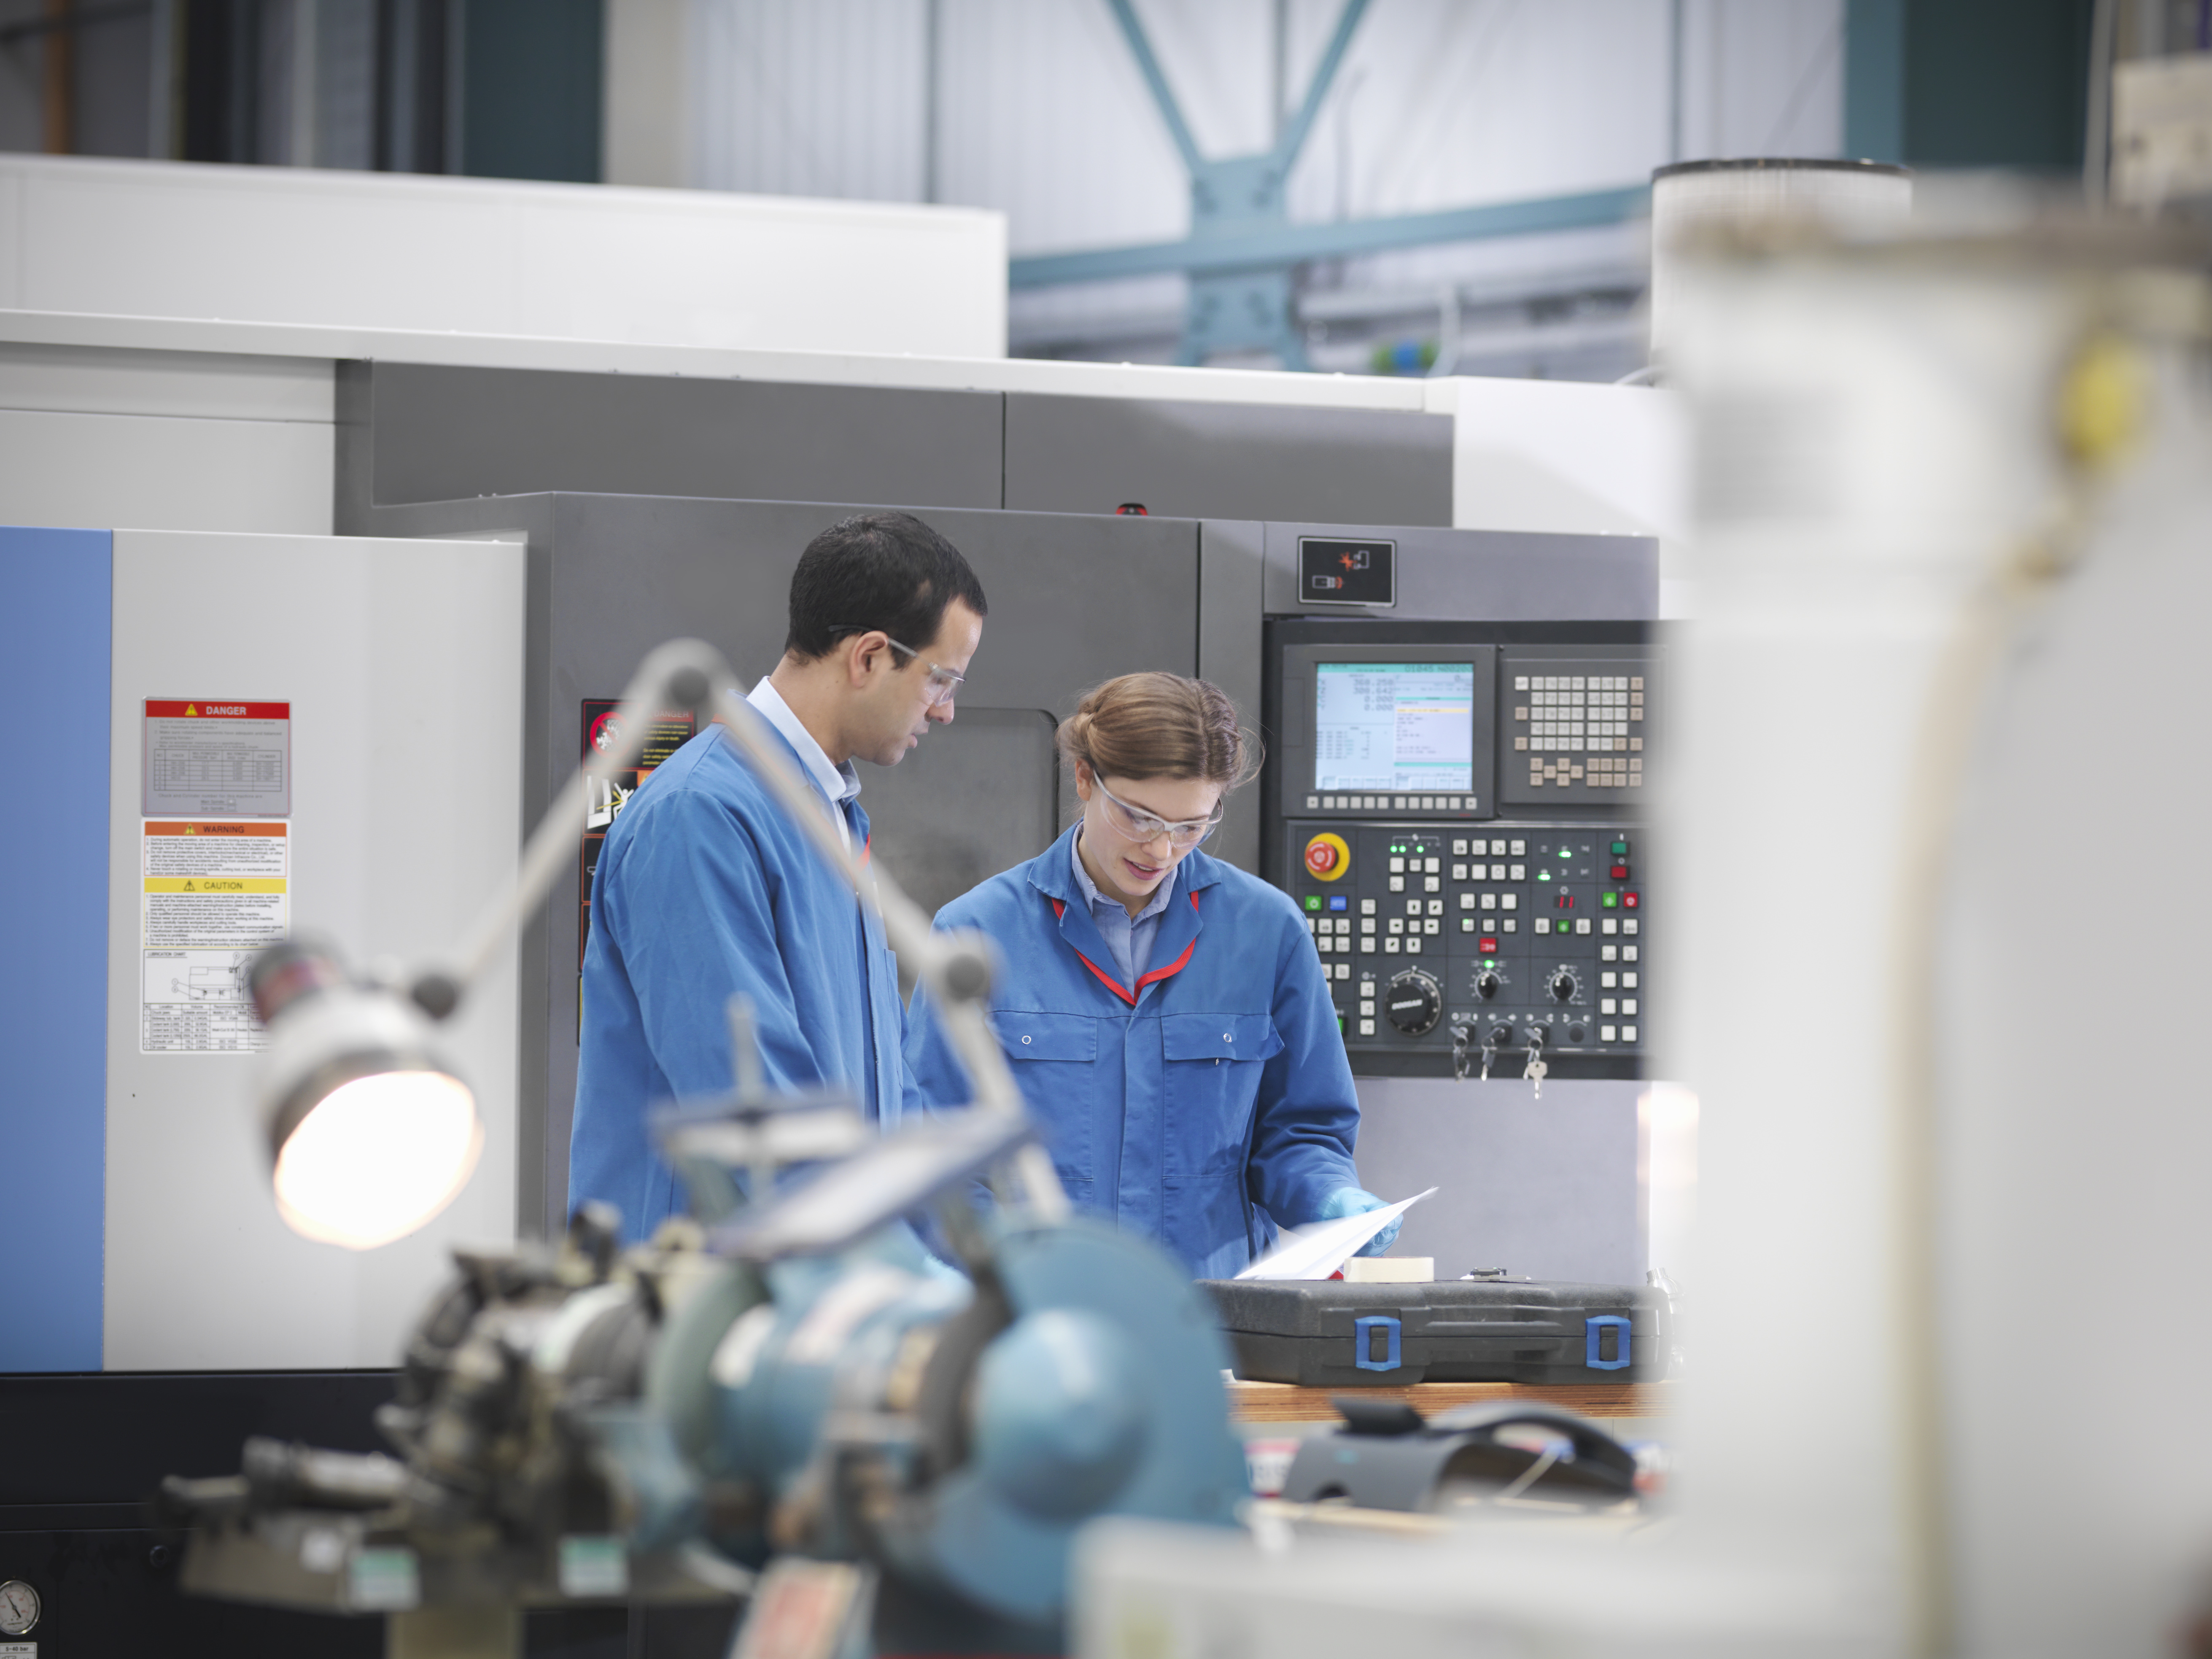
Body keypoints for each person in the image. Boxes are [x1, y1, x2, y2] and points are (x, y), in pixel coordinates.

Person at [571, 511, 986, 1241]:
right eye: (940, 679)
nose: (946, 710)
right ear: (866, 657)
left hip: (821, 1285)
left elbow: (882, 1092)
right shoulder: (702, 814)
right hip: (703, 1298)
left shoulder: (830, 815)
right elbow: (751, 1108)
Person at [904, 673, 1400, 1279]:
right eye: (1139, 818)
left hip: (1210, 1323)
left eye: (1191, 826)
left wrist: (1330, 1196)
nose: (1161, 851)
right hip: (1039, 1318)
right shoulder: (978, 930)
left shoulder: (1266, 931)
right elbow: (940, 1145)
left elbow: (1301, 1130)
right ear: (1085, 778)